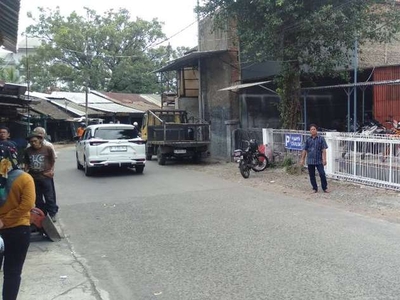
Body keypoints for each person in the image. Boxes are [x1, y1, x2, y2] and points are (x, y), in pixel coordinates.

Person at [0, 145, 35, 300]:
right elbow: (27, 205)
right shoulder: (25, 178)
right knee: (12, 271)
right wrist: (5, 221)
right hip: (18, 230)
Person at [23, 132, 58, 222]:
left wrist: (51, 170)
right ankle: (42, 214)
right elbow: (26, 163)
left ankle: (52, 214)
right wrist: (25, 173)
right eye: (31, 142)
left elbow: (52, 160)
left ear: (40, 140)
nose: (33, 143)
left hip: (45, 176)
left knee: (49, 196)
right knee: (37, 198)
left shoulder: (47, 149)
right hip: (33, 177)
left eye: (35, 141)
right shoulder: (28, 151)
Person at [300, 124, 329, 193]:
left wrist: (324, 159)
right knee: (312, 175)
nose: (312, 130)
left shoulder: (321, 139)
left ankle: (325, 188)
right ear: (310, 131)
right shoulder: (308, 140)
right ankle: (314, 188)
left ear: (316, 130)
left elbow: (324, 150)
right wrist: (302, 159)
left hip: (319, 160)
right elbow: (305, 150)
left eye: (314, 129)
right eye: (311, 129)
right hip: (310, 160)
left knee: (322, 174)